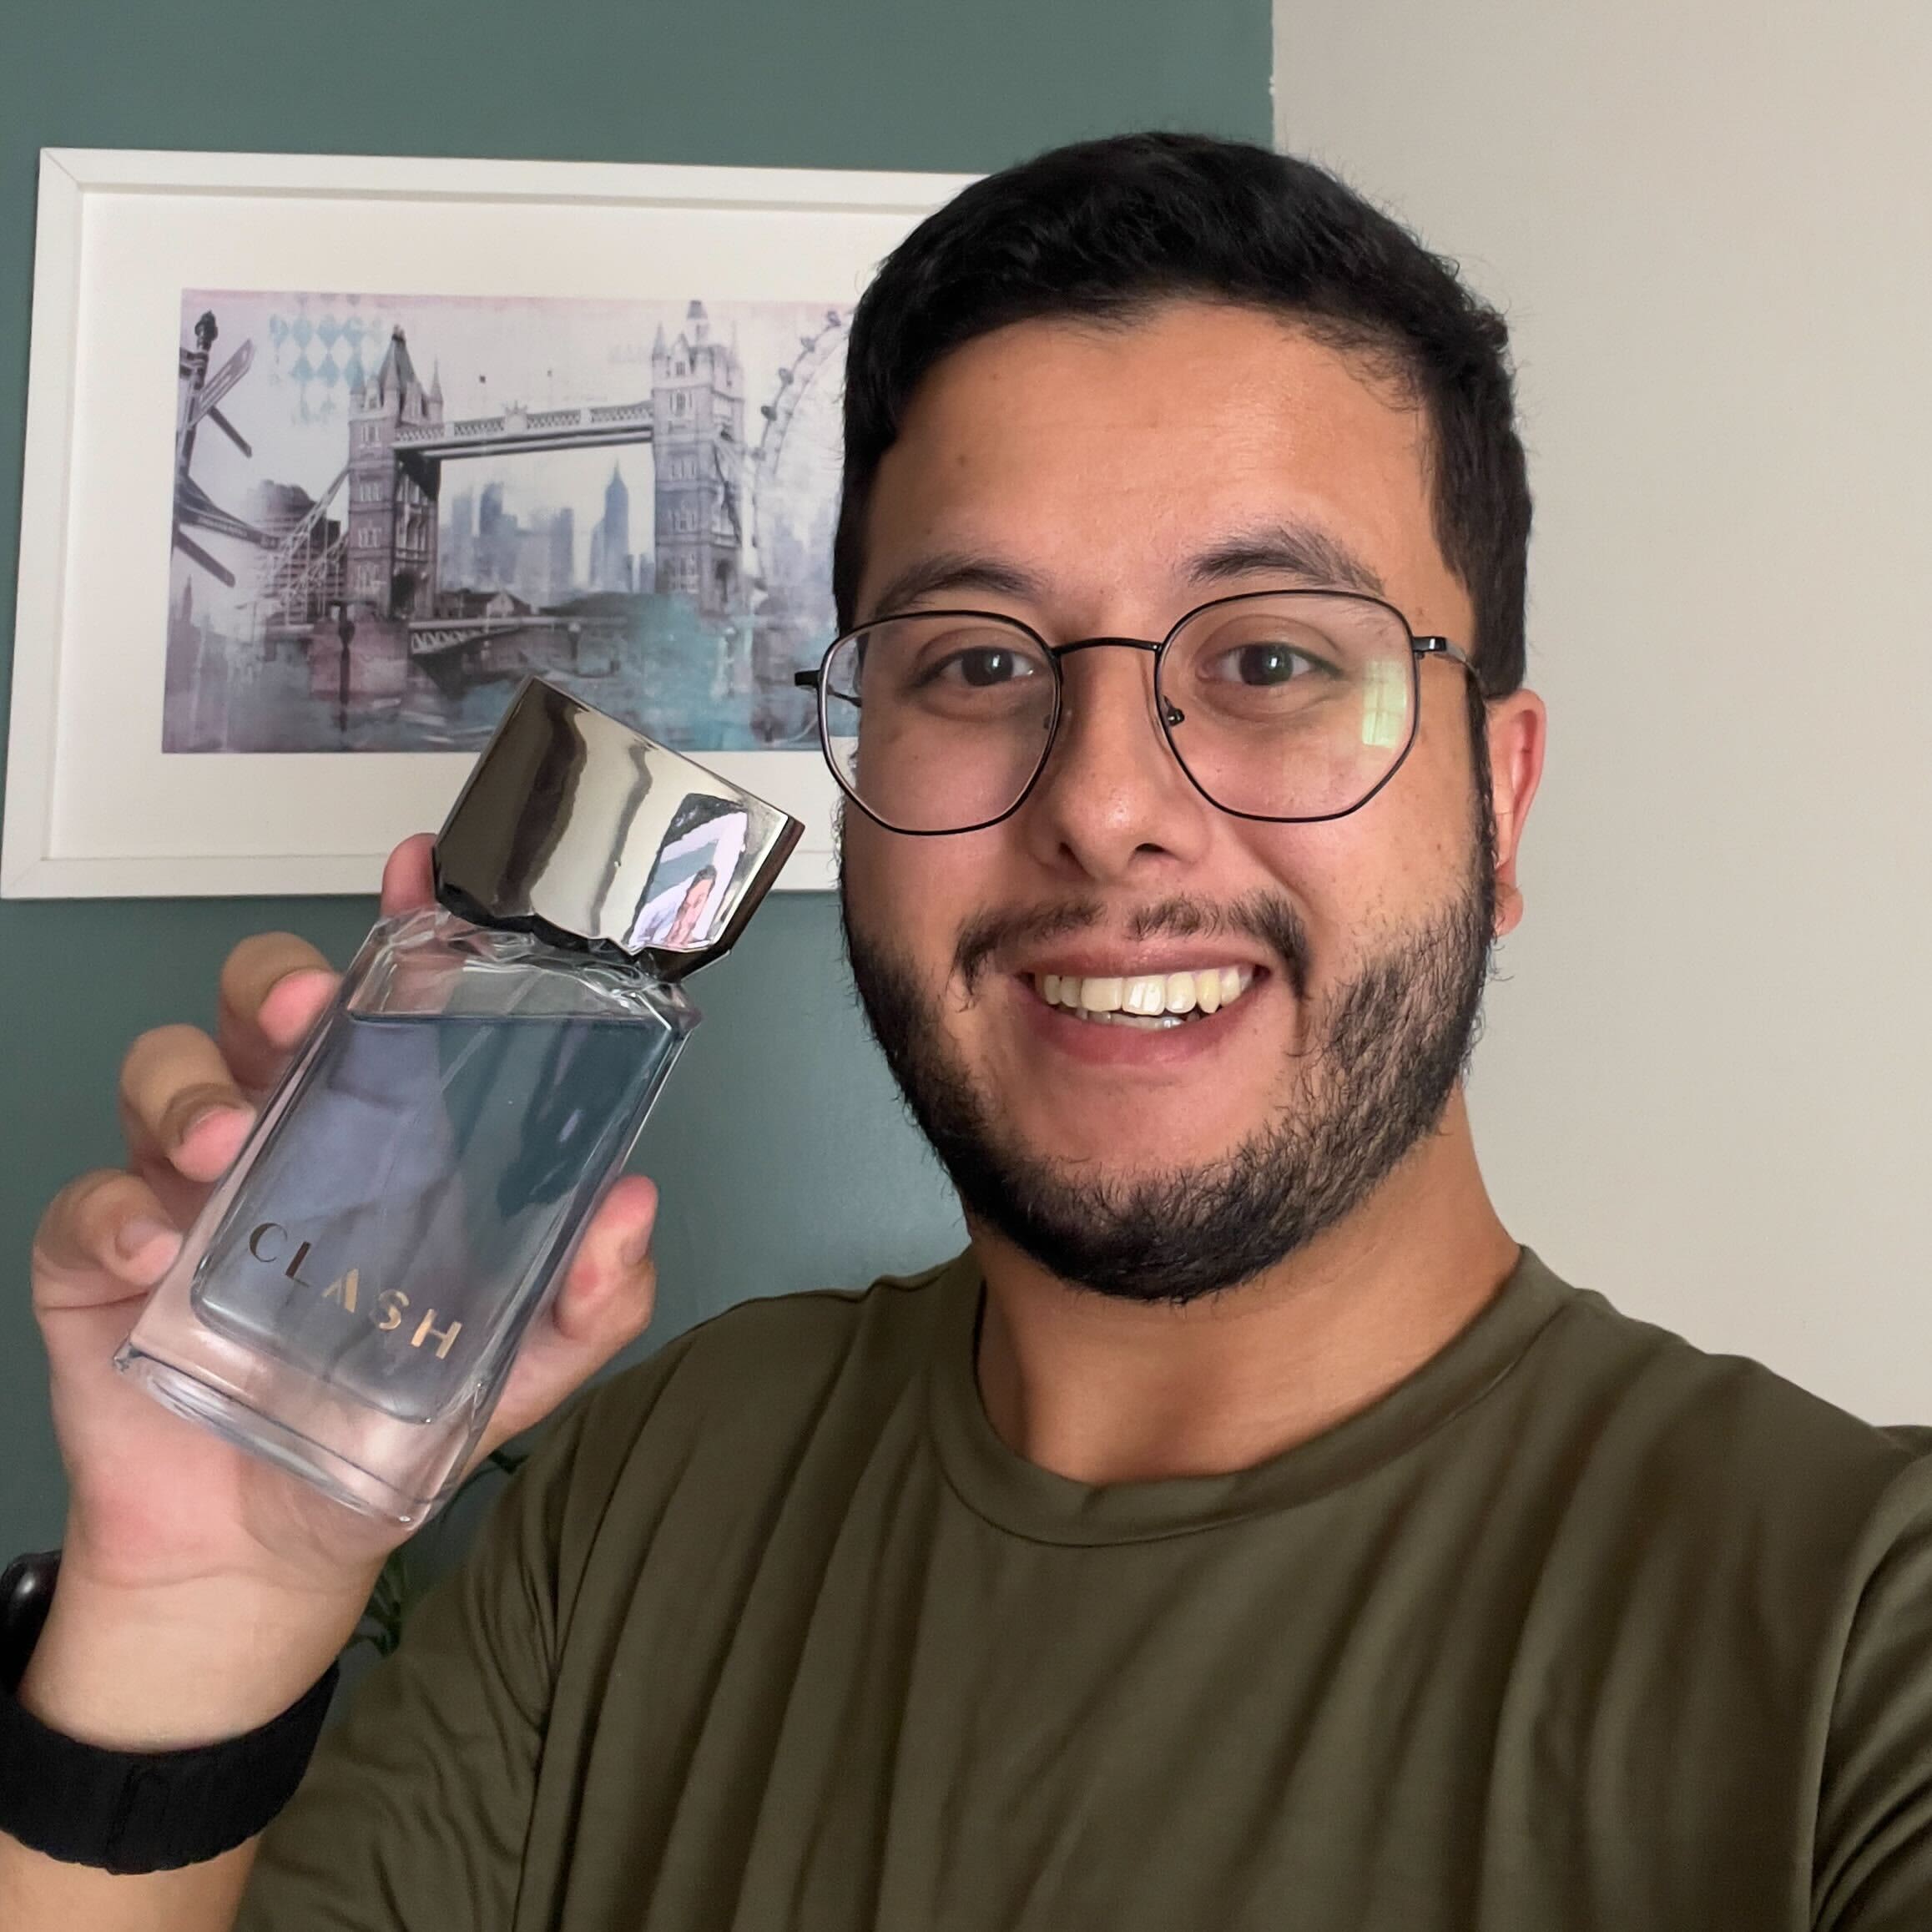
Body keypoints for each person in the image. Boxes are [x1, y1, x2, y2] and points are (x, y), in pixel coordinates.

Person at [6, 133, 1932, 1930]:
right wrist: (205, 1604)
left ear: (1502, 807)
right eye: (980, 664)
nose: (1106, 804)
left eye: (1270, 658)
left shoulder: (1858, 1633)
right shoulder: (646, 1494)